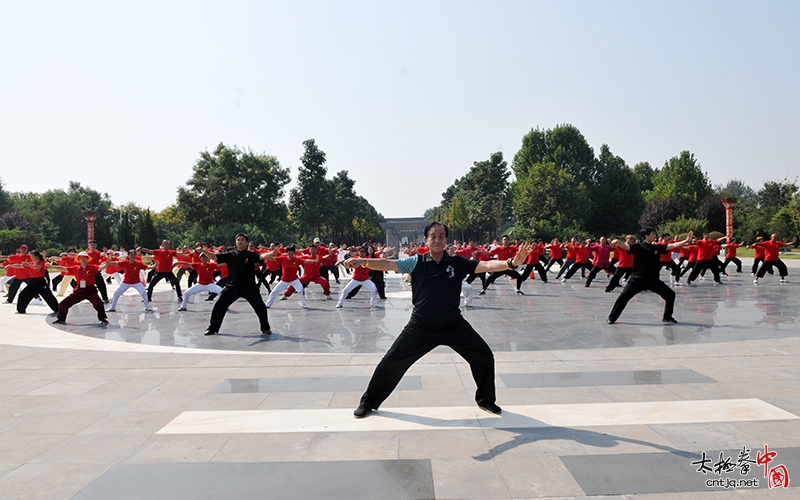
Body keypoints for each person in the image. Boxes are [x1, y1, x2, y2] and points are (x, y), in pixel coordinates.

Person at [349, 221, 533, 419]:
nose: (437, 240)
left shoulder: (457, 263)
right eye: (433, 236)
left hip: (453, 324)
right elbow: (388, 264)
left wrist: (511, 263)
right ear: (426, 240)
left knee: (483, 355)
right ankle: (368, 402)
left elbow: (486, 265)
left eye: (441, 236)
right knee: (392, 361)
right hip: (421, 326)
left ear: (446, 240)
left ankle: (486, 400)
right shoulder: (415, 262)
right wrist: (363, 261)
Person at [607, 228, 693, 325]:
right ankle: (612, 317)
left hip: (653, 280)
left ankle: (667, 317)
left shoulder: (657, 247)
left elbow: (671, 246)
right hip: (637, 280)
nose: (655, 235)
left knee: (670, 294)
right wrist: (617, 241)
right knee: (623, 297)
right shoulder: (637, 247)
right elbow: (625, 246)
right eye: (652, 234)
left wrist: (686, 241)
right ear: (646, 236)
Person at [200, 233, 272, 336]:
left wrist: (271, 253)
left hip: (249, 287)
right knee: (219, 306)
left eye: (242, 240)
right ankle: (212, 329)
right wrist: (204, 251)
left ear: (246, 242)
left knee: (260, 307)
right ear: (236, 242)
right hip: (232, 286)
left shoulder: (251, 255)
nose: (240, 241)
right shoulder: (230, 255)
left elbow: (261, 257)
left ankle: (265, 328)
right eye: (238, 240)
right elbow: (215, 257)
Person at [50, 252, 109, 324]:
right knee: (63, 303)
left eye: (84, 258)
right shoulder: (76, 268)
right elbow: (63, 268)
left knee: (98, 302)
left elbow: (101, 267)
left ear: (87, 259)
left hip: (90, 290)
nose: (83, 259)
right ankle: (61, 318)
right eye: (81, 258)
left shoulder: (92, 267)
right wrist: (52, 266)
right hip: (79, 291)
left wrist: (107, 263)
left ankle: (103, 318)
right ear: (79, 260)